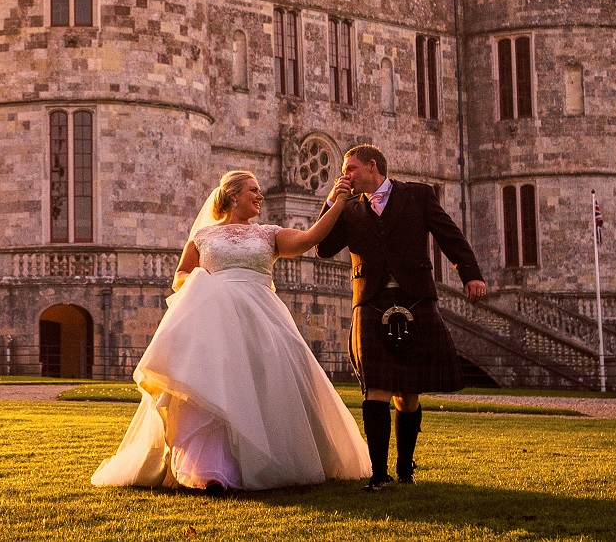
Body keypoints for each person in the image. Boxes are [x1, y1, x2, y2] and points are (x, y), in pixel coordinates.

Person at [91, 170, 372, 492]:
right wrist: (199, 282)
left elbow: (310, 239)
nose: (259, 196)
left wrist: (337, 202)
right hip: (215, 318)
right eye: (253, 190)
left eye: (260, 191)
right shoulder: (204, 236)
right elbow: (181, 273)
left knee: (267, 382)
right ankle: (210, 470)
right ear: (233, 195)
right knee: (210, 385)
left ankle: (272, 460)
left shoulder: (270, 234)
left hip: (261, 315)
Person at [316, 144, 486, 490]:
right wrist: (331, 203)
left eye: (350, 169)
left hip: (416, 298)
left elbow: (448, 235)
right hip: (369, 300)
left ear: (372, 167)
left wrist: (471, 273)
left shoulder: (418, 196)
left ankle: (405, 468)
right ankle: (379, 475)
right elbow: (323, 247)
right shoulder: (347, 208)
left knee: (407, 395)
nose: (345, 175)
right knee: (374, 387)